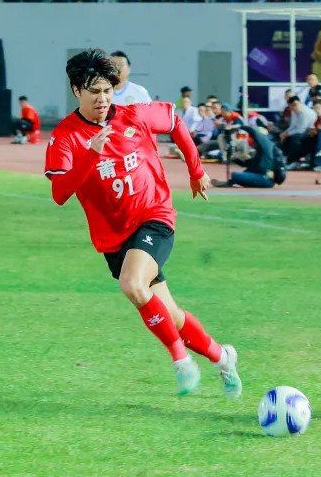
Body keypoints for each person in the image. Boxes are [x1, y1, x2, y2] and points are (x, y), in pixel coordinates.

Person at [45, 49, 241, 398]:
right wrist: (91, 154)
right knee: (171, 316)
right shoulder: (65, 137)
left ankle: (181, 362)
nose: (103, 98)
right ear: (76, 91)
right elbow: (60, 193)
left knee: (133, 284)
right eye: (94, 91)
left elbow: (175, 122)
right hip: (114, 238)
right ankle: (222, 357)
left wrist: (196, 170)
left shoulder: (135, 115)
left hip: (153, 216)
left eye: (108, 90)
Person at [211, 124, 286, 189]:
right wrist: (234, 158)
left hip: (266, 179)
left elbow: (252, 131)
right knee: (242, 174)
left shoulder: (267, 145)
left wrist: (239, 126)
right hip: (262, 177)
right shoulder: (262, 151)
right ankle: (230, 182)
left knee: (236, 175)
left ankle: (232, 181)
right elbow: (247, 163)